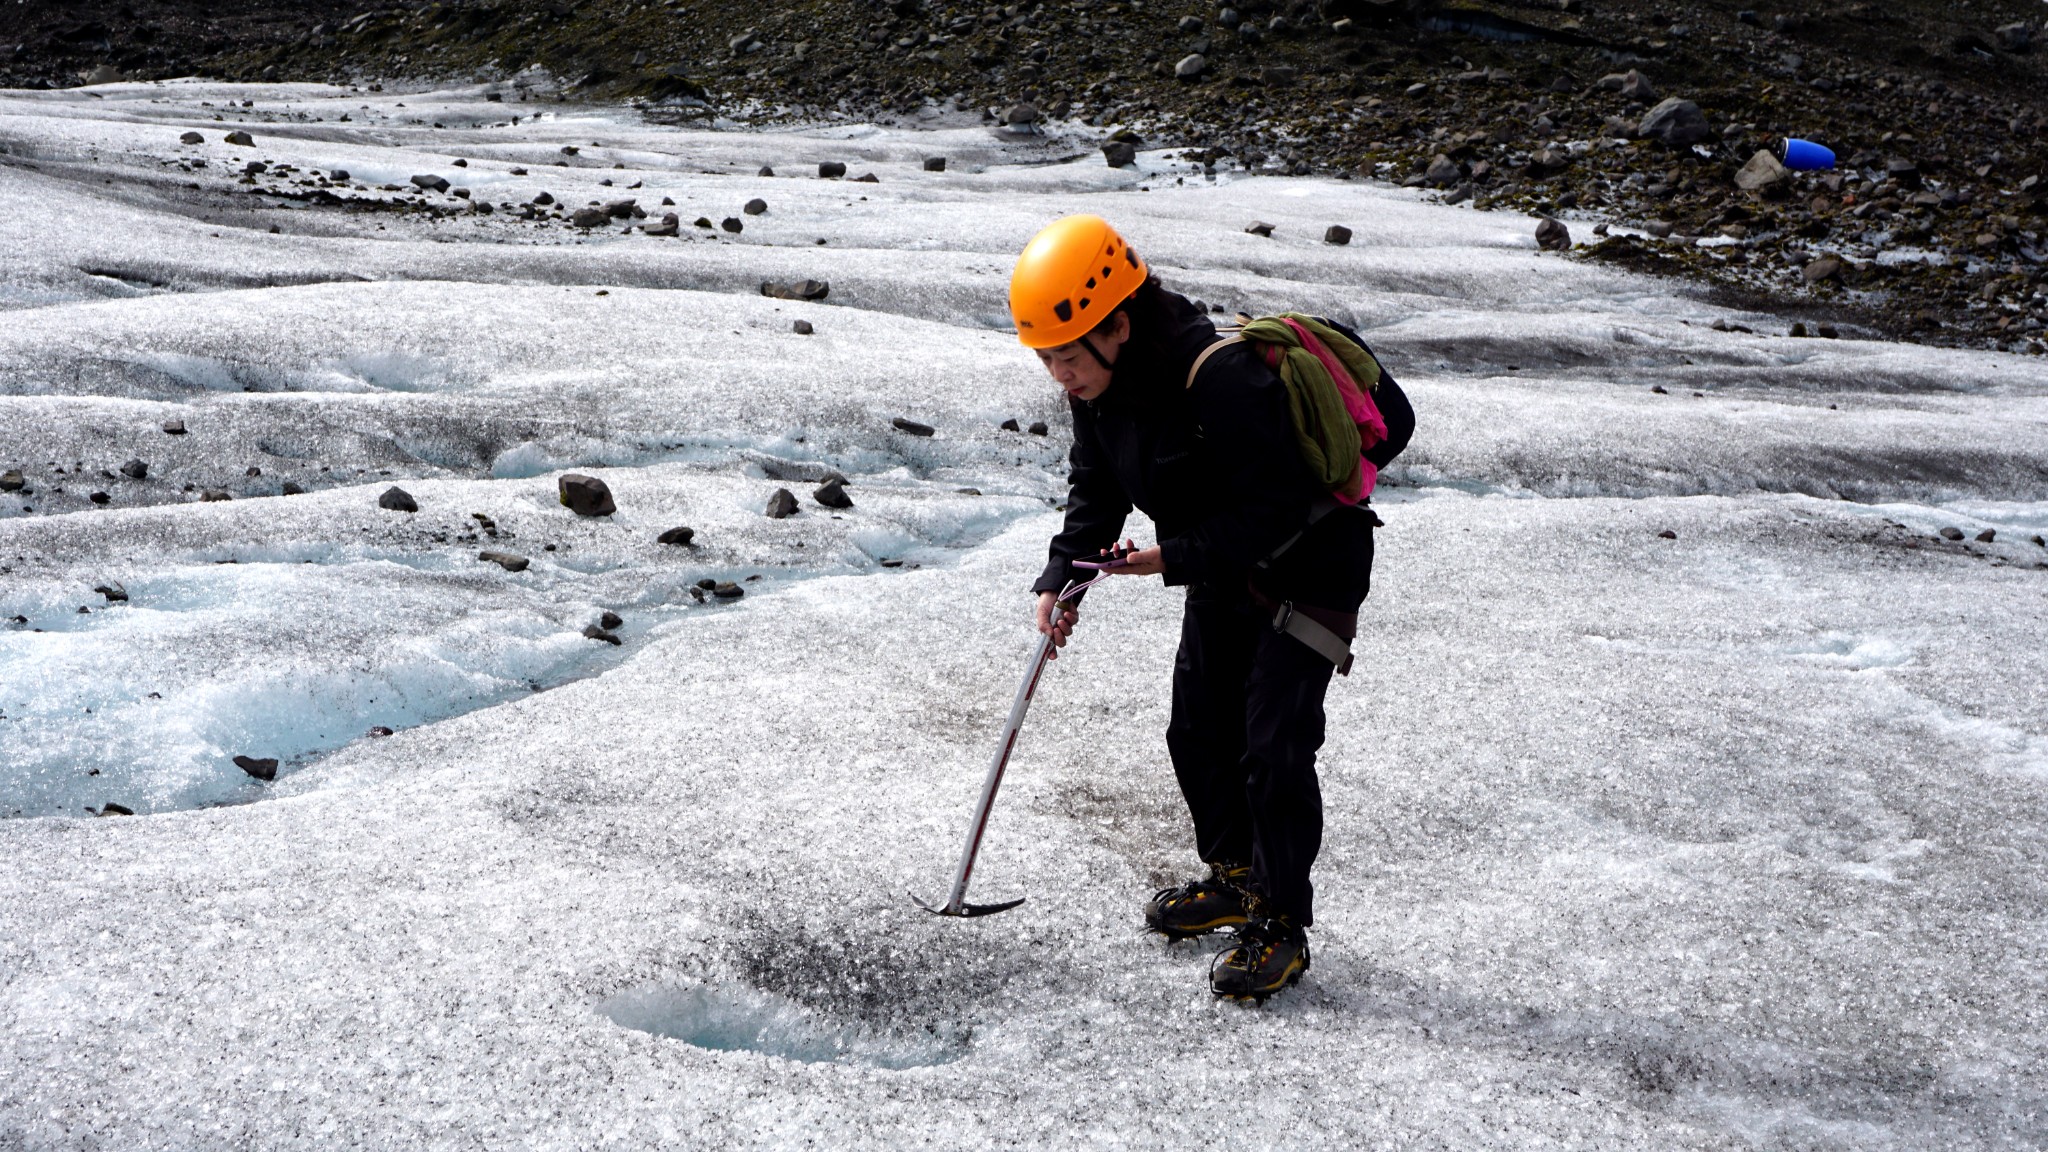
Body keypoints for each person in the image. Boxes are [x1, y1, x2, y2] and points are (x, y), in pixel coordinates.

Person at [1010, 214, 1412, 1000]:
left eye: (1065, 355)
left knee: (1274, 748)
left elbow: (1281, 503)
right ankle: (1234, 877)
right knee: (1196, 729)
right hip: (1222, 566)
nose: (1060, 375)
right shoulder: (1100, 389)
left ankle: (1281, 923)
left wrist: (1171, 557)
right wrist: (1063, 575)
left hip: (1312, 567)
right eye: (1047, 360)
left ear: (1117, 325)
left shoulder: (1218, 377)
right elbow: (1096, 487)